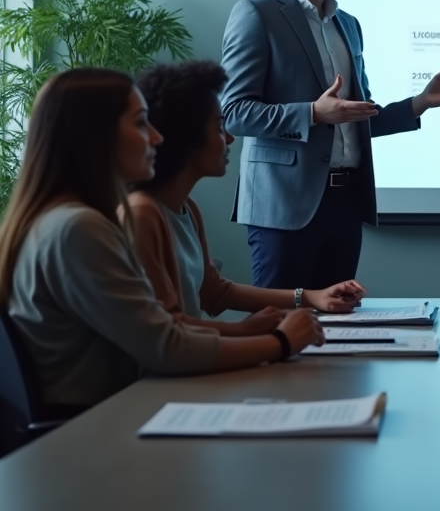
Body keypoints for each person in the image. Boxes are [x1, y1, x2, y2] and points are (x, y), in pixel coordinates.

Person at [0, 69, 324, 411]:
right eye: (141, 123)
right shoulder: (78, 228)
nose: (156, 137)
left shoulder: (59, 220)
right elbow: (167, 347)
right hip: (95, 429)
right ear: (94, 135)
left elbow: (173, 325)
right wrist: (281, 342)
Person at [221, 0, 440, 289]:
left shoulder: (348, 25)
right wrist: (313, 113)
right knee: (282, 326)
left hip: (344, 205)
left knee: (338, 331)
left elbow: (354, 117)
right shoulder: (256, 14)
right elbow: (234, 113)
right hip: (283, 208)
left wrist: (420, 103)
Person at [128, 61, 367, 335]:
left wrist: (312, 297)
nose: (230, 138)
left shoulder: (187, 208)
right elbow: (168, 334)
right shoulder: (142, 214)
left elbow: (214, 292)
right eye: (219, 128)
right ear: (185, 139)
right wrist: (268, 337)